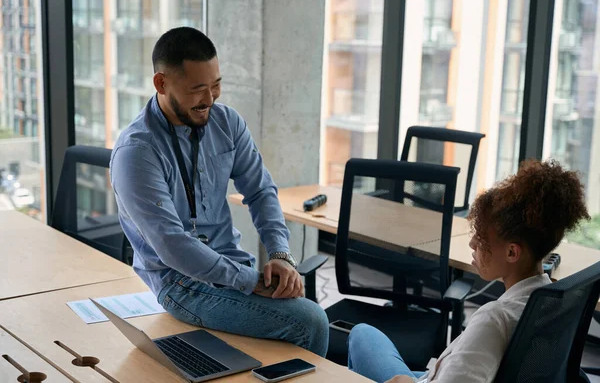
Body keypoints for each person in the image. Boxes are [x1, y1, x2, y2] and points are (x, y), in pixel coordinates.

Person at [110, 27, 328, 356]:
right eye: (198, 90)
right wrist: (252, 281)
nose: (210, 100)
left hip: (231, 263)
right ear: (161, 83)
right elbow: (172, 245)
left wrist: (280, 255)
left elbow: (261, 190)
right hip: (179, 283)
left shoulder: (227, 123)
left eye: (216, 85)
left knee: (293, 309)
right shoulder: (137, 152)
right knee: (309, 320)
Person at [346, 159, 590, 382]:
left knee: (361, 335)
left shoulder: (494, 320)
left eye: (482, 238)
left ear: (512, 253)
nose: (473, 243)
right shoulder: (553, 303)